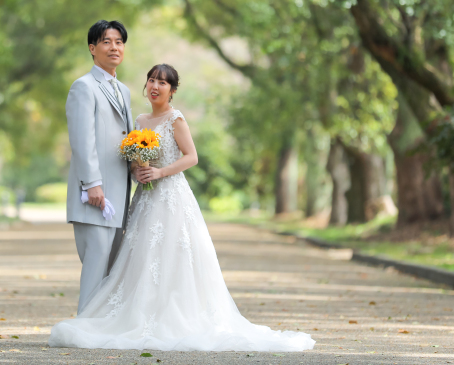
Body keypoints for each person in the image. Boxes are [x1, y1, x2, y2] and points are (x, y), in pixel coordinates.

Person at [49, 64, 315, 352]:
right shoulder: (139, 120)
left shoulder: (175, 119)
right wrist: (138, 169)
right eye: (151, 80)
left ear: (172, 91)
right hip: (145, 198)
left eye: (163, 83)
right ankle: (137, 311)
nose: (155, 86)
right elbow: (134, 158)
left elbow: (192, 157)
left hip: (172, 197)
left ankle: (174, 313)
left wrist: (161, 173)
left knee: (174, 254)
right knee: (141, 256)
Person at [64, 20, 133, 314]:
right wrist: (92, 183)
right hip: (94, 194)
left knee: (113, 266)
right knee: (95, 263)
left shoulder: (125, 91)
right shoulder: (83, 87)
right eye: (107, 41)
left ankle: (100, 327)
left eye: (119, 41)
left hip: (120, 193)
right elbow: (82, 140)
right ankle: (82, 330)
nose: (114, 47)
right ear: (93, 49)